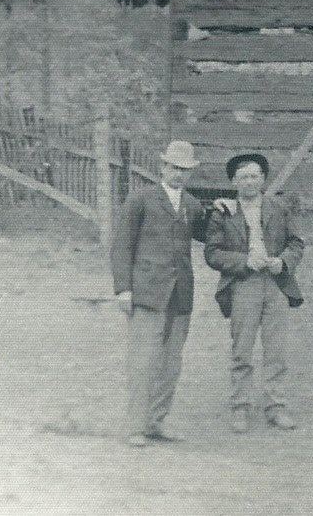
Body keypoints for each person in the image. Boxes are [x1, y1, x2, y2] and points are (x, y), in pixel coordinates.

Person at [110, 140, 208, 447]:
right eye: (174, 168)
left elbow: (208, 235)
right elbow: (122, 245)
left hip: (180, 295)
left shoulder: (192, 205)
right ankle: (136, 426)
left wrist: (223, 209)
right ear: (162, 167)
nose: (179, 174)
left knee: (171, 362)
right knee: (143, 360)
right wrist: (124, 289)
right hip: (148, 293)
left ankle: (156, 421)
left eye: (185, 170)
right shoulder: (141, 199)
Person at [205, 153, 304, 434]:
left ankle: (276, 405)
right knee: (242, 349)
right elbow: (212, 253)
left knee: (276, 349)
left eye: (255, 176)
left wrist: (283, 261)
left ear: (263, 179)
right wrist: (243, 261)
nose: (250, 181)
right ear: (234, 181)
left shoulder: (279, 208)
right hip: (243, 283)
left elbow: (297, 243)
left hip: (275, 284)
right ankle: (240, 405)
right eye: (244, 177)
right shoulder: (224, 212)